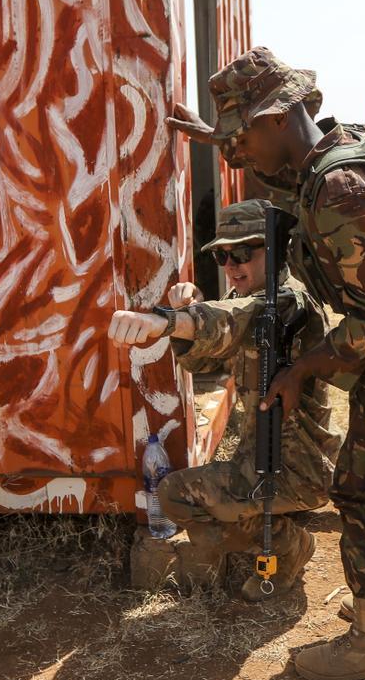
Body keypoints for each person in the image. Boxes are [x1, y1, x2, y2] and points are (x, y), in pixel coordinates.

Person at [167, 47, 365, 680]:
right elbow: (288, 183)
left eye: (241, 134)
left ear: (278, 118)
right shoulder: (327, 156)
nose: (236, 152)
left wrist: (302, 368)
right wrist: (212, 135)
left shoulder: (336, 189)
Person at [107, 199, 341, 601]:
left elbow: (237, 316)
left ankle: (288, 547)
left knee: (175, 495)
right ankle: (280, 533)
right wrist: (188, 310)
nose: (232, 265)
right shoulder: (252, 300)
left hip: (298, 469)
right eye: (222, 255)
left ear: (275, 250)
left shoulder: (288, 304)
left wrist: (165, 321)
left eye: (244, 252)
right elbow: (207, 355)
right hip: (262, 457)